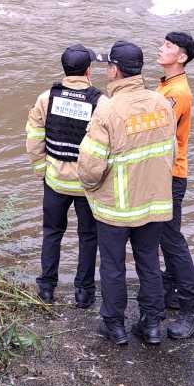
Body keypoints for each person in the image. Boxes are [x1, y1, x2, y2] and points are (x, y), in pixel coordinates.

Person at [77, 41, 176, 346]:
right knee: (149, 263)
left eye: (109, 66)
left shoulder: (108, 109)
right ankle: (151, 325)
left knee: (113, 266)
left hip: (117, 207)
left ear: (115, 70)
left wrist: (91, 189)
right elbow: (169, 153)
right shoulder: (162, 103)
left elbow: (91, 165)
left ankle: (114, 325)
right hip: (155, 203)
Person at [25, 44, 106, 307]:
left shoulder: (46, 98)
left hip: (55, 181)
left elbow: (34, 138)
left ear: (64, 69)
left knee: (52, 233)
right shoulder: (101, 102)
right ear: (88, 70)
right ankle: (84, 293)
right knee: (88, 236)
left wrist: (42, 170)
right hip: (87, 184)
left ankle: (46, 288)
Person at [154, 31, 194, 340]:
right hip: (165, 171)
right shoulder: (166, 85)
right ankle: (171, 290)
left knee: (171, 239)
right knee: (165, 235)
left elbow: (154, 126)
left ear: (181, 57)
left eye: (169, 46)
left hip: (171, 174)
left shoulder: (178, 93)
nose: (162, 49)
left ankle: (190, 307)